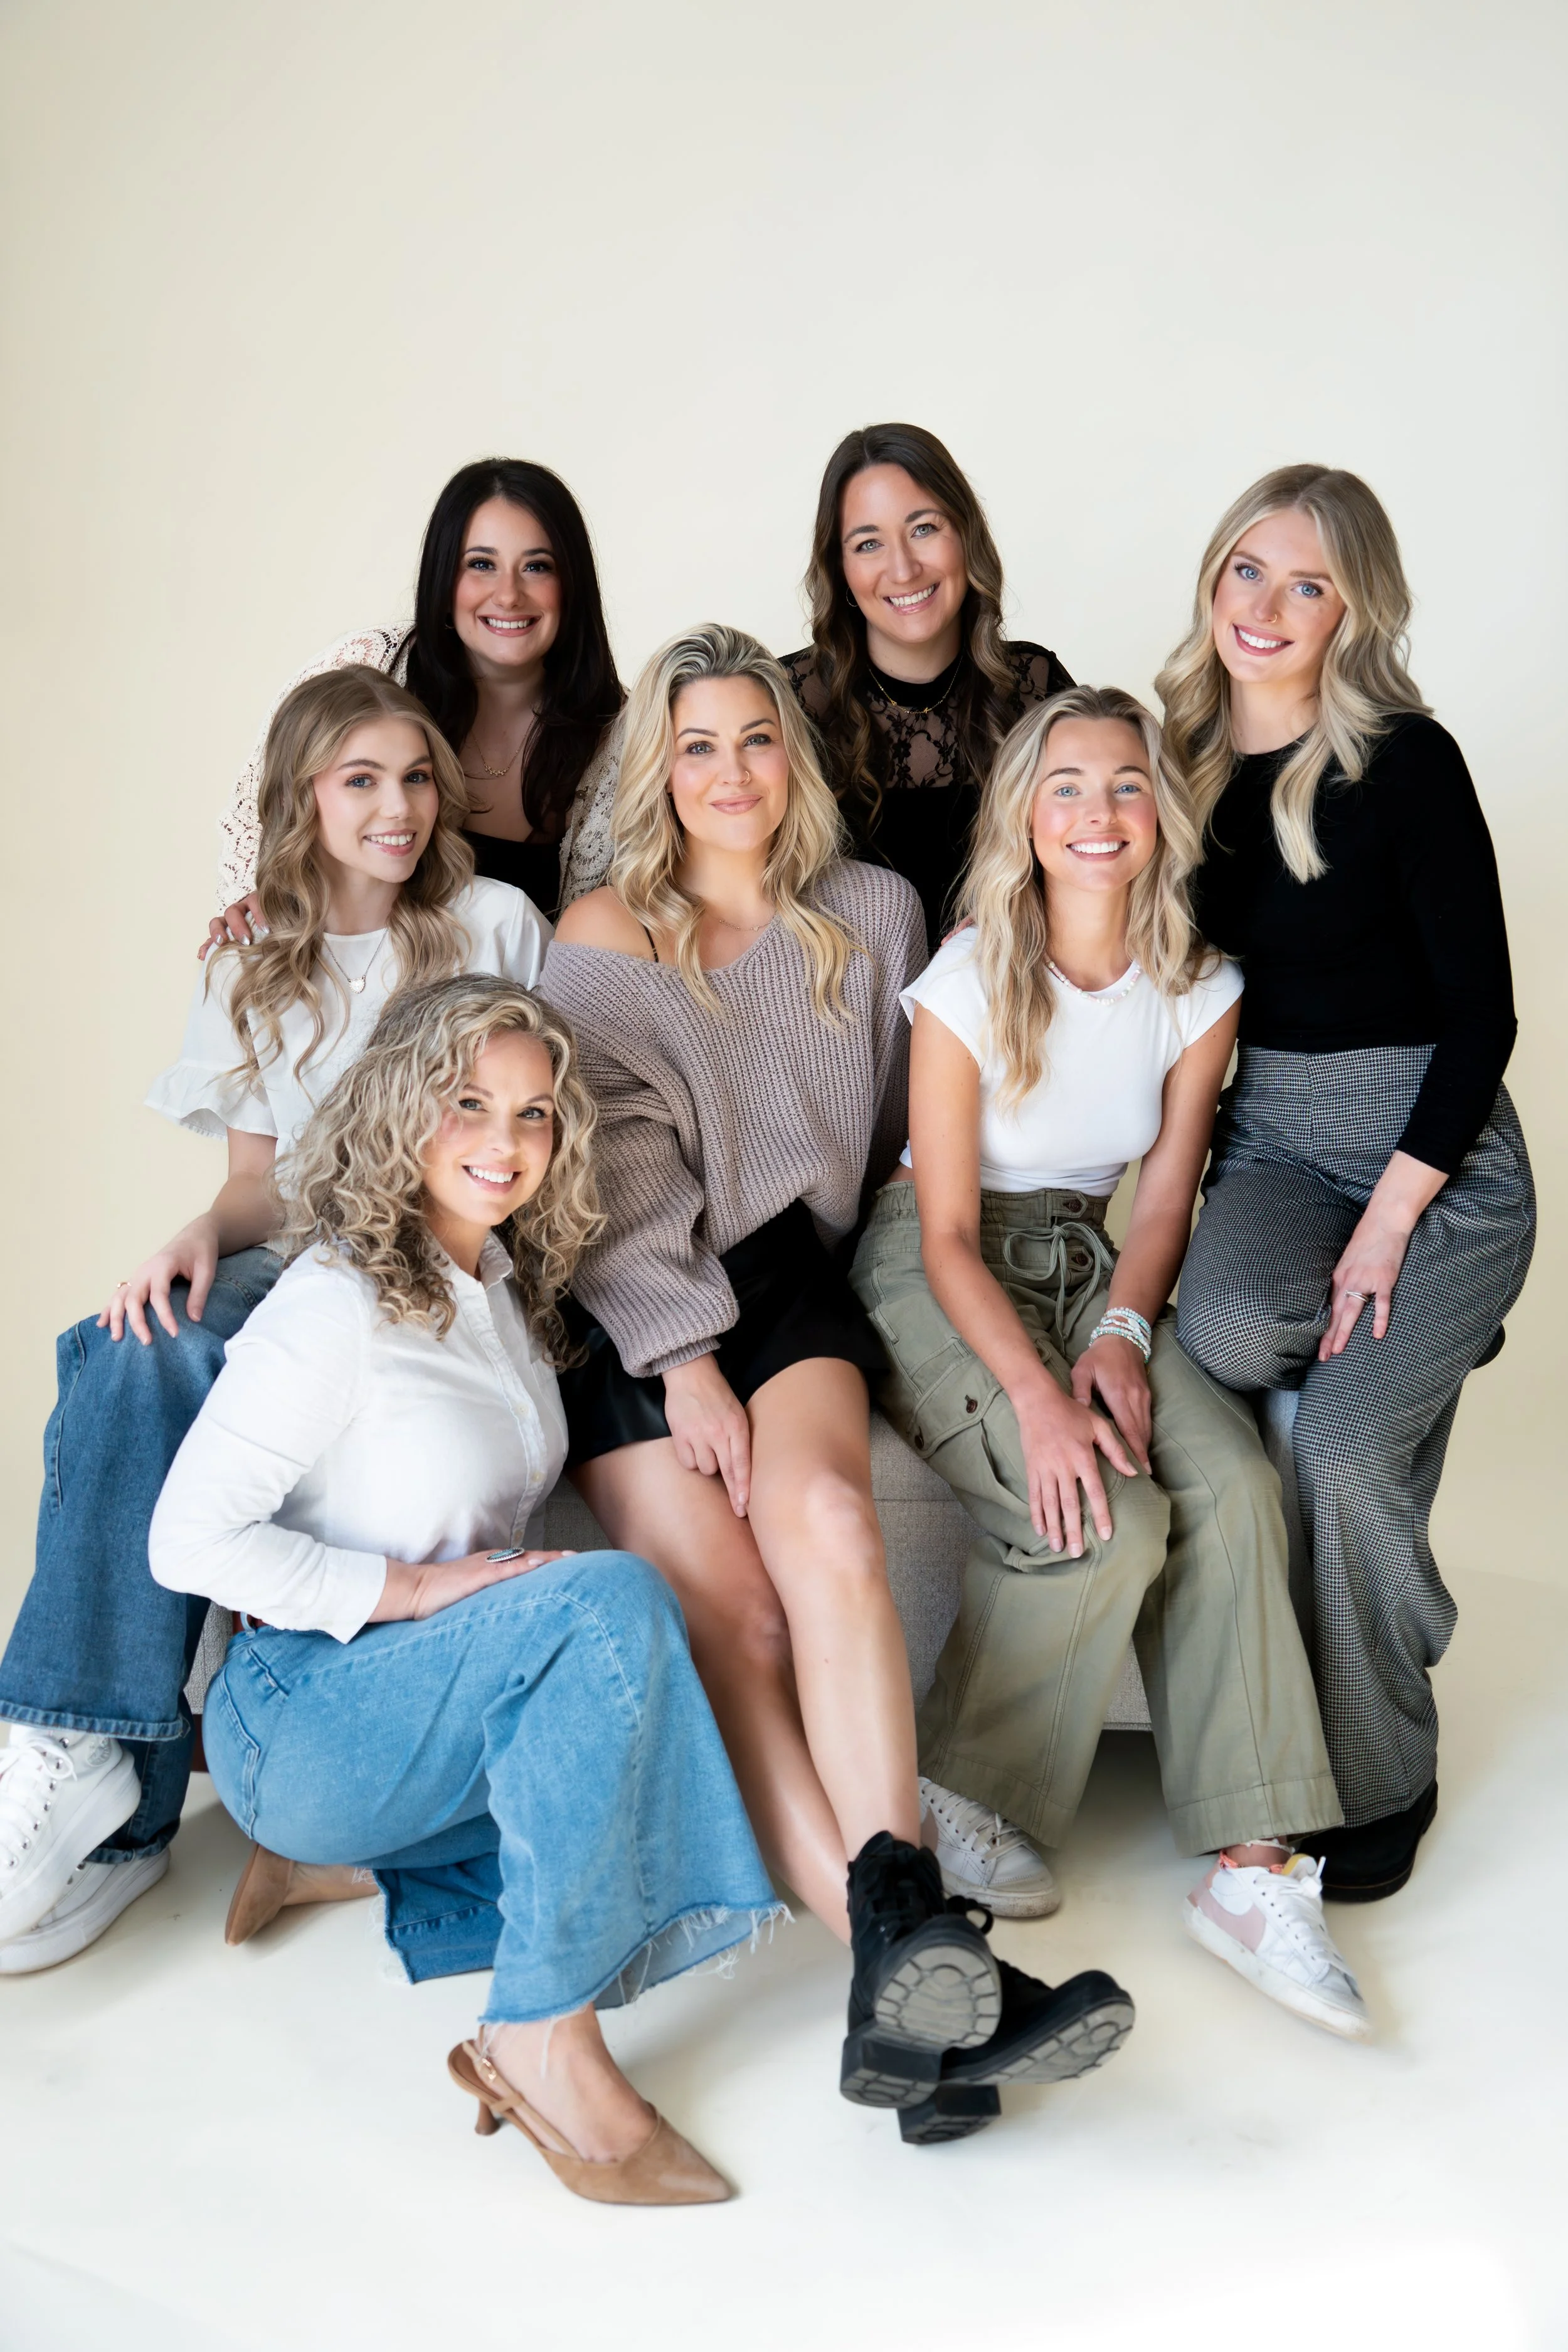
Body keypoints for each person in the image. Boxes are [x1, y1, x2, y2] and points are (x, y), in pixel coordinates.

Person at [544, 625, 1134, 2146]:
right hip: (629, 1300)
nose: (730, 771)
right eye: (697, 746)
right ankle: (917, 1958)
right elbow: (607, 1178)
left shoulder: (871, 911)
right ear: (656, 771)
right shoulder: (603, 931)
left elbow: (894, 1132)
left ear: (791, 759)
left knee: (833, 1523)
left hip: (790, 1276)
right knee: (737, 1612)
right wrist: (679, 1359)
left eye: (756, 739)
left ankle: (906, 1971)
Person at [148, 973, 771, 2205]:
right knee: (612, 1605)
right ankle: (538, 2036)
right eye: (469, 1105)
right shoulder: (333, 1302)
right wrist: (422, 1592)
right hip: (299, 1711)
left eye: (534, 1115)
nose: (503, 1142)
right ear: (400, 1111)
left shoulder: (497, 1294)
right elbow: (186, 1541)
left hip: (410, 1726)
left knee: (657, 1753)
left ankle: (364, 1867)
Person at [0, 667, 551, 1971]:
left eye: (416, 777)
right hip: (294, 1249)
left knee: (183, 1344)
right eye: (360, 779)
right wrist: (199, 1232)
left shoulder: (492, 920)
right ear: (302, 798)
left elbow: (528, 1127)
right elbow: (261, 1185)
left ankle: (108, 1789)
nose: (397, 806)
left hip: (424, 1256)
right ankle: (72, 1757)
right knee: (140, 1341)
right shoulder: (253, 954)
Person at [851, 684, 1369, 2041]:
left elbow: (1161, 1199)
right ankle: (962, 1798)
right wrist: (1034, 1394)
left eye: (1125, 786)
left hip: (1092, 1263)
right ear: (1023, 813)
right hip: (937, 1256)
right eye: (1065, 786)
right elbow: (950, 1229)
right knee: (1093, 1511)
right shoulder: (965, 979)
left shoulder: (1199, 989)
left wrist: (1127, 1340)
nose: (1097, 812)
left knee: (1234, 1482)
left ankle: (1251, 1871)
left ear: (1160, 814)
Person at [1160, 465, 1535, 1901]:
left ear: (1350, 610)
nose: (1267, 606)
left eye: (1306, 584)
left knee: (1339, 1447)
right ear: (1213, 577)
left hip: (1434, 1156)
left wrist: (1394, 1228)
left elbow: (1484, 1019)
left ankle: (1383, 1764)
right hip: (1270, 1141)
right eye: (1247, 569)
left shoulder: (1407, 761)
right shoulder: (1177, 762)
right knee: (1235, 1330)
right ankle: (1418, 1336)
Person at [209, 457, 623, 931]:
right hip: (353, 984)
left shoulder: (622, 736)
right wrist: (253, 901)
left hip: (524, 998)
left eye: (537, 566)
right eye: (481, 565)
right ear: (445, 579)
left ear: (571, 586)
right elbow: (256, 810)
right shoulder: (366, 664)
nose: (508, 595)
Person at [784, 421, 1073, 949]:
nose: (903, 568)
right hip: (841, 1020)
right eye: (868, 543)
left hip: (1003, 1009)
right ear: (839, 567)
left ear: (965, 535)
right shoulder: (789, 702)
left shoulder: (1035, 688)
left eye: (923, 529)